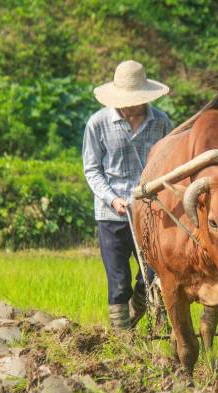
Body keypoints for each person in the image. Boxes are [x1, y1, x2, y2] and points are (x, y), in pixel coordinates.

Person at [82, 60, 173, 330]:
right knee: (118, 280)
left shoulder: (161, 123)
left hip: (151, 213)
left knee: (153, 275)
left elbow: (170, 165)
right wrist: (112, 198)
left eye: (137, 99)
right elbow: (92, 169)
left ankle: (134, 314)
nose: (132, 105)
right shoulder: (97, 124)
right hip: (112, 214)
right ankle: (121, 339)